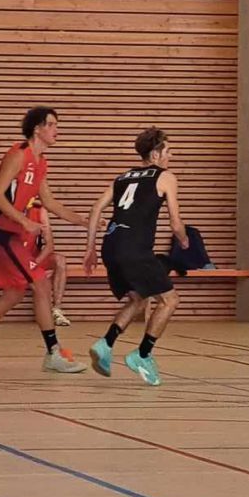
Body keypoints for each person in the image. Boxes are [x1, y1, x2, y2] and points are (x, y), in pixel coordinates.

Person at [0, 108, 88, 372]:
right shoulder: (18, 154)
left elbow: (50, 203)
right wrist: (25, 221)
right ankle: (53, 353)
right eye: (52, 124)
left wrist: (82, 220)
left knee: (15, 292)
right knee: (40, 284)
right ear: (37, 128)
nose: (56, 130)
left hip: (11, 232)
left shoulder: (41, 162)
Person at [83, 128, 187, 386]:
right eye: (168, 150)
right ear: (155, 154)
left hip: (111, 246)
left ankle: (105, 344)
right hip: (134, 248)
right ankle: (142, 354)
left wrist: (90, 249)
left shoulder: (122, 178)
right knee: (170, 300)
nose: (171, 156)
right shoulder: (165, 177)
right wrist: (184, 240)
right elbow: (175, 224)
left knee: (139, 299)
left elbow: (96, 209)